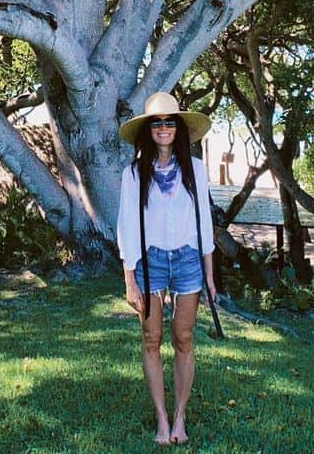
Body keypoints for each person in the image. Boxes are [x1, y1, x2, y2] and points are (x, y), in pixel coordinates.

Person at [117, 92, 216, 446]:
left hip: (188, 258)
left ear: (179, 128)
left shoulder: (196, 169)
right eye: (156, 123)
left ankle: (180, 416)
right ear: (148, 130)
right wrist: (129, 278)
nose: (163, 128)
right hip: (150, 262)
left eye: (169, 122)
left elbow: (204, 221)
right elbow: (126, 225)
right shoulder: (133, 173)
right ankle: (161, 418)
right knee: (151, 338)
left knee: (184, 339)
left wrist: (209, 273)